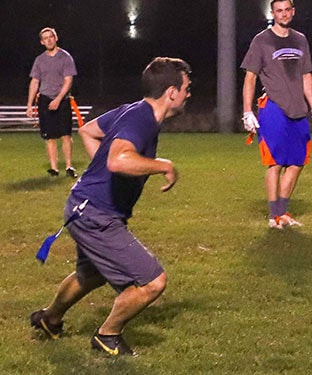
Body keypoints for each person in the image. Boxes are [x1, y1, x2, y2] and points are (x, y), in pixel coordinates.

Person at [29, 57, 192, 356]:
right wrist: (162, 165)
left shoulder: (133, 110)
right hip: (95, 215)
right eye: (186, 88)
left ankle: (50, 319)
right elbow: (118, 159)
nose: (188, 94)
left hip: (83, 206)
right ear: (171, 92)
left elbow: (88, 131)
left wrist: (100, 175)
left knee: (90, 275)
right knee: (153, 282)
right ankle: (107, 335)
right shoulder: (141, 119)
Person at [241, 0, 312, 229]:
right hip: (273, 107)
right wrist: (247, 111)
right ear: (273, 14)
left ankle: (283, 211)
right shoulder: (262, 41)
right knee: (275, 163)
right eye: (279, 11)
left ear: (293, 11)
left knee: (298, 162)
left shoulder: (300, 40)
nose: (284, 14)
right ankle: (273, 215)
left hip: (298, 108)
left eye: (287, 10)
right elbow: (250, 78)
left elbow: (306, 75)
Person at [26, 27, 79, 178]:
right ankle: (54, 169)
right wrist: (30, 105)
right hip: (45, 101)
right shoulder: (39, 60)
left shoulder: (65, 57)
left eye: (51, 37)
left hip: (62, 100)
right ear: (42, 42)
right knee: (49, 137)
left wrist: (58, 99)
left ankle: (69, 166)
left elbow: (68, 80)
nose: (49, 40)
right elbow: (35, 82)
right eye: (45, 38)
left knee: (66, 134)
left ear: (56, 38)